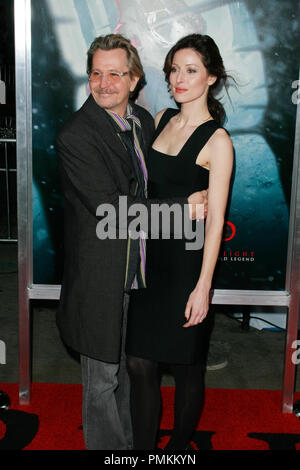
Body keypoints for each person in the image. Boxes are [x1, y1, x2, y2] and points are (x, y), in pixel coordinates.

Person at [56, 33, 207, 451]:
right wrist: (185, 210)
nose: (105, 84)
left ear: (135, 79)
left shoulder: (142, 120)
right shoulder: (77, 135)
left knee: (128, 374)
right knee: (102, 381)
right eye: (96, 74)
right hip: (101, 278)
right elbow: (113, 212)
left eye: (116, 74)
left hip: (140, 275)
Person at [125, 33, 234, 450]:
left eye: (190, 70)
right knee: (138, 363)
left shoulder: (217, 141)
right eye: (174, 69)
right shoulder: (161, 120)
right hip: (150, 259)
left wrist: (204, 286)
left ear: (211, 78)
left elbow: (216, 221)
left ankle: (177, 451)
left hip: (187, 267)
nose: (178, 78)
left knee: (188, 367)